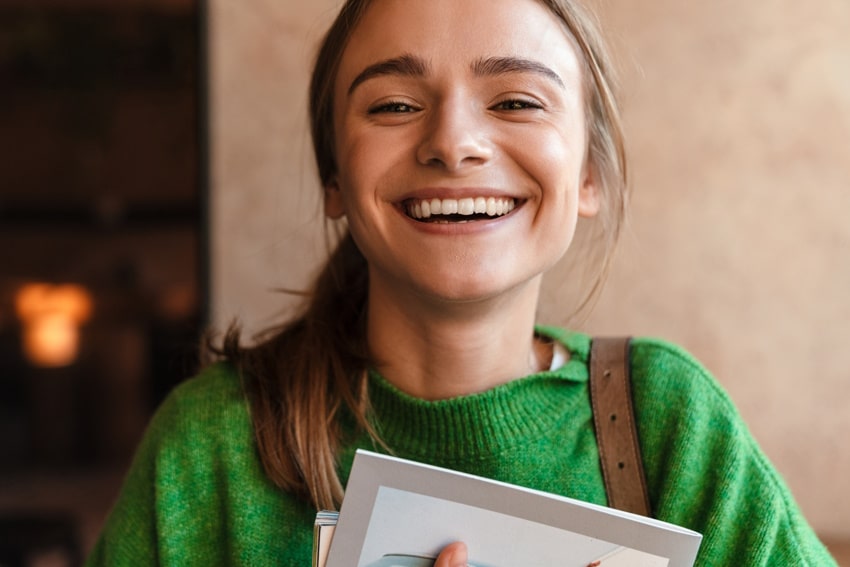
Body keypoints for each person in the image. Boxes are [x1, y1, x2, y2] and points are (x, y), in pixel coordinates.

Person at [86, 0, 837, 565]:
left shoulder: (673, 423)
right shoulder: (208, 446)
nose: (452, 142)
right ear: (334, 180)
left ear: (587, 175)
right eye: (394, 106)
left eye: (515, 100)